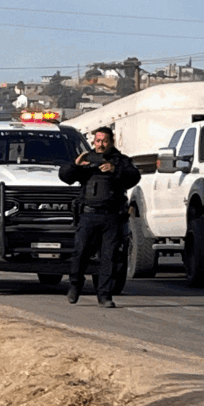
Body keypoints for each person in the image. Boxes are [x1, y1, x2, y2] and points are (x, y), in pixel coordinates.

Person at [58, 126, 140, 308]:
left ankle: (104, 295)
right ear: (93, 142)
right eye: (98, 141)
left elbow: (134, 177)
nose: (100, 145)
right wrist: (75, 165)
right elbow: (65, 176)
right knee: (80, 254)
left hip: (112, 217)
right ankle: (75, 286)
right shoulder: (87, 159)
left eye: (104, 141)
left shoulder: (121, 161)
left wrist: (114, 169)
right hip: (88, 216)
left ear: (111, 142)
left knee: (109, 258)